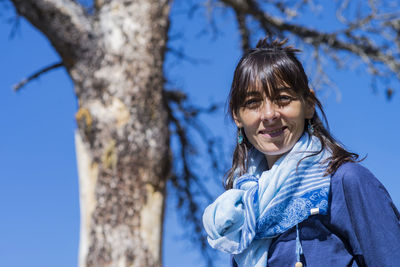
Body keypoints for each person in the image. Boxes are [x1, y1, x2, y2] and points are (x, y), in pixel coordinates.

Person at [202, 38, 400, 267]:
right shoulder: (245, 210)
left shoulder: (345, 182)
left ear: (308, 104)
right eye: (253, 102)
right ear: (237, 116)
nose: (269, 114)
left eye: (283, 99)